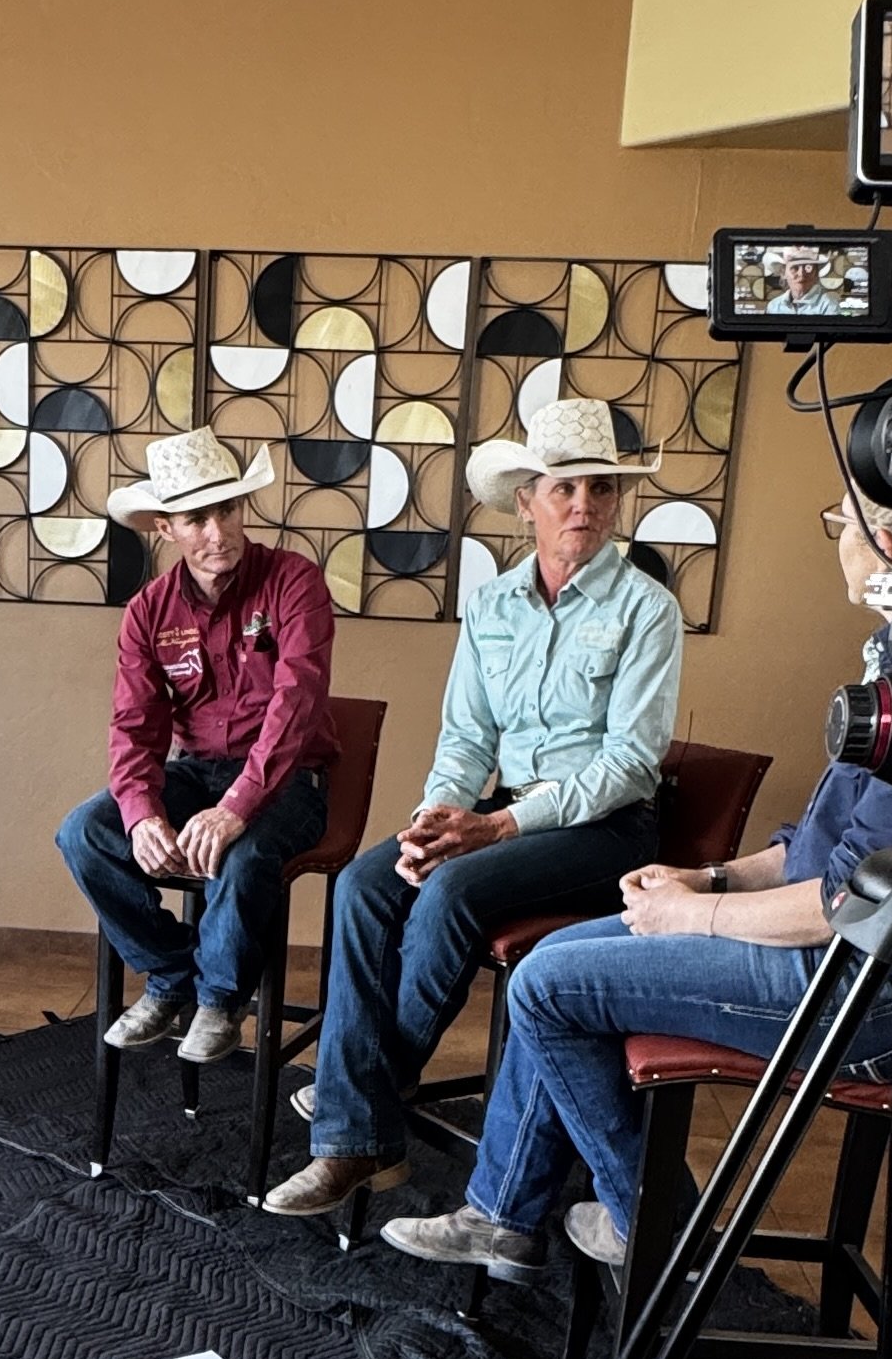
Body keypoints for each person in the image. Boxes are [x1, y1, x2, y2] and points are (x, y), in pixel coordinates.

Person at [381, 494, 892, 1281]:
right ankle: (506, 1216)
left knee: (547, 985)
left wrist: (694, 912)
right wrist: (710, 875)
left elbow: (848, 902)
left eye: (841, 527)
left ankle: (658, 1228)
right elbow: (818, 855)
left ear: (884, 541)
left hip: (872, 996)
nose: (840, 545)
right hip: (851, 961)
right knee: (552, 963)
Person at [263, 394, 682, 1216]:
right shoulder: (491, 606)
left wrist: (491, 828)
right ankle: (362, 1129)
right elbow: (465, 737)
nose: (584, 505)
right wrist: (434, 820)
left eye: (601, 488)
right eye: (564, 488)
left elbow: (631, 763)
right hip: (500, 810)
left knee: (452, 892)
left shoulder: (647, 609)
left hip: (605, 831)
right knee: (367, 885)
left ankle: (358, 1122)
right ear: (526, 500)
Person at [55, 426, 337, 1062]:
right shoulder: (149, 612)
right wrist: (141, 812)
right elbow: (135, 725)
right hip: (197, 771)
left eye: (228, 510)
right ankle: (172, 975)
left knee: (241, 854)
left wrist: (236, 806)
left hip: (290, 780)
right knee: (86, 834)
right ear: (165, 528)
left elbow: (296, 705)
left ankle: (220, 998)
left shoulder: (294, 582)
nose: (219, 532)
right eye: (196, 518)